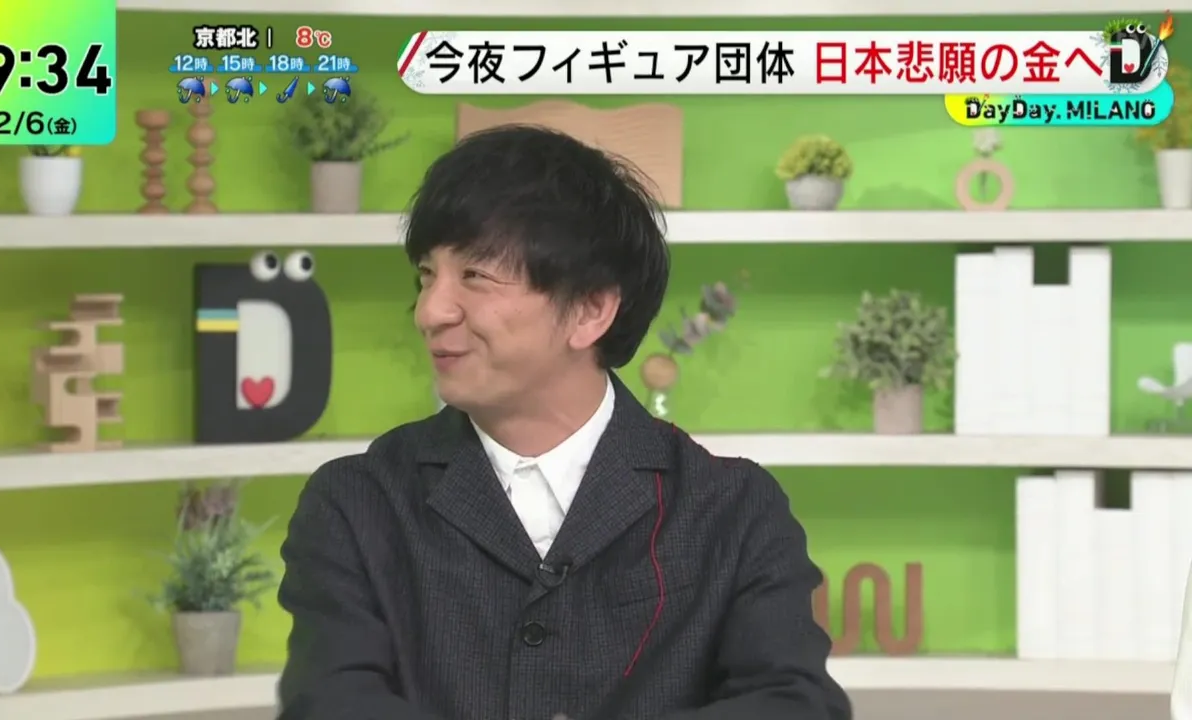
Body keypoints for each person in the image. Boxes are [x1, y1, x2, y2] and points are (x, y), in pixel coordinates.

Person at [276, 126, 850, 720]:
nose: (431, 311)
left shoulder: (732, 508)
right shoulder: (358, 502)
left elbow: (794, 704)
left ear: (590, 310)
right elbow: (331, 703)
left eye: (474, 276)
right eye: (427, 275)